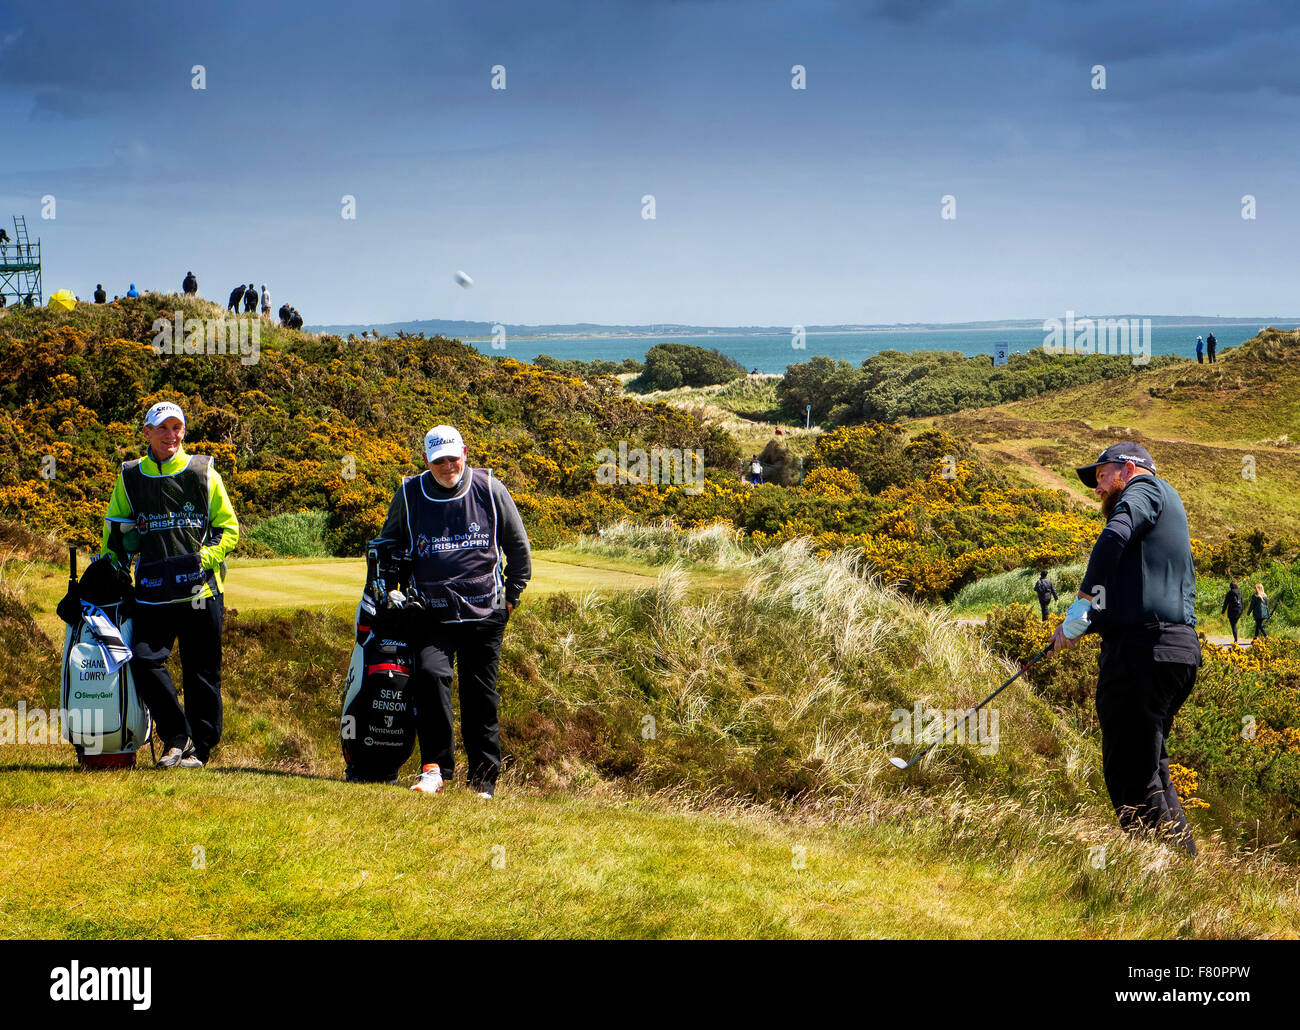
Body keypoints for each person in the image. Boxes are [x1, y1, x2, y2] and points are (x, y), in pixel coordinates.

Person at [1052, 442, 1199, 856]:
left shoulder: (1146, 489)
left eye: (1101, 475)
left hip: (1144, 650)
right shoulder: (1162, 512)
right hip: (1171, 649)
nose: (1097, 487)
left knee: (1130, 773)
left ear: (1128, 469)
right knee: (1151, 769)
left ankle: (1161, 877)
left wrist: (1082, 599)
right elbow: (1133, 590)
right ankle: (1186, 876)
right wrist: (1080, 625)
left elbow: (1113, 535)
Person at [375, 424, 531, 797]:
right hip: (431, 613)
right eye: (439, 460)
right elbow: (388, 542)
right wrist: (391, 588)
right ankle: (435, 770)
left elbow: (519, 546)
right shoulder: (410, 493)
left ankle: (483, 781)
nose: (448, 466)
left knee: (480, 697)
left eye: (452, 458)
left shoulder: (490, 488)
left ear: (465, 453)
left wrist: (512, 596)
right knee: (429, 677)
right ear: (427, 461)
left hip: (484, 613)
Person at [101, 401, 240, 769]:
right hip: (152, 592)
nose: (171, 435)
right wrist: (114, 566)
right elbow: (116, 531)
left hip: (200, 592)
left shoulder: (203, 471)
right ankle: (178, 736)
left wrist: (202, 560)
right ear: (146, 433)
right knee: (144, 660)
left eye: (177, 428)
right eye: (162, 428)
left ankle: (200, 751)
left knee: (201, 672)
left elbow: (229, 530)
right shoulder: (130, 476)